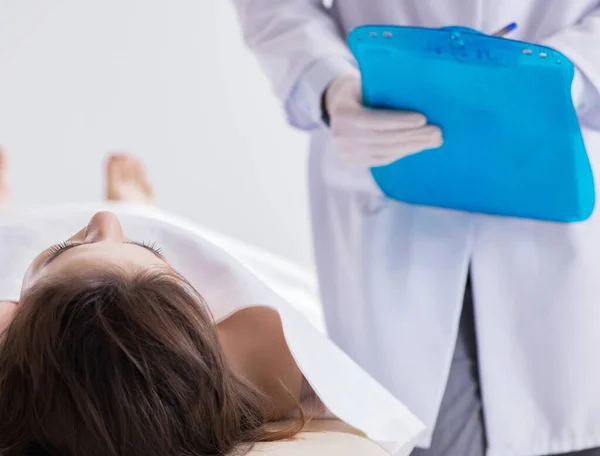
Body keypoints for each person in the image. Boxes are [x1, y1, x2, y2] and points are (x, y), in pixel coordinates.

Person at [230, 2, 600, 456]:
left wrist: (563, 78)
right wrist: (329, 84)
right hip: (389, 185)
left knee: (569, 405)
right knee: (421, 426)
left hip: (561, 176)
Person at [0, 149, 422, 456]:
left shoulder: (10, 329)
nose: (103, 220)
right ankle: (147, 223)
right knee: (156, 240)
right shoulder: (264, 355)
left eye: (62, 251)